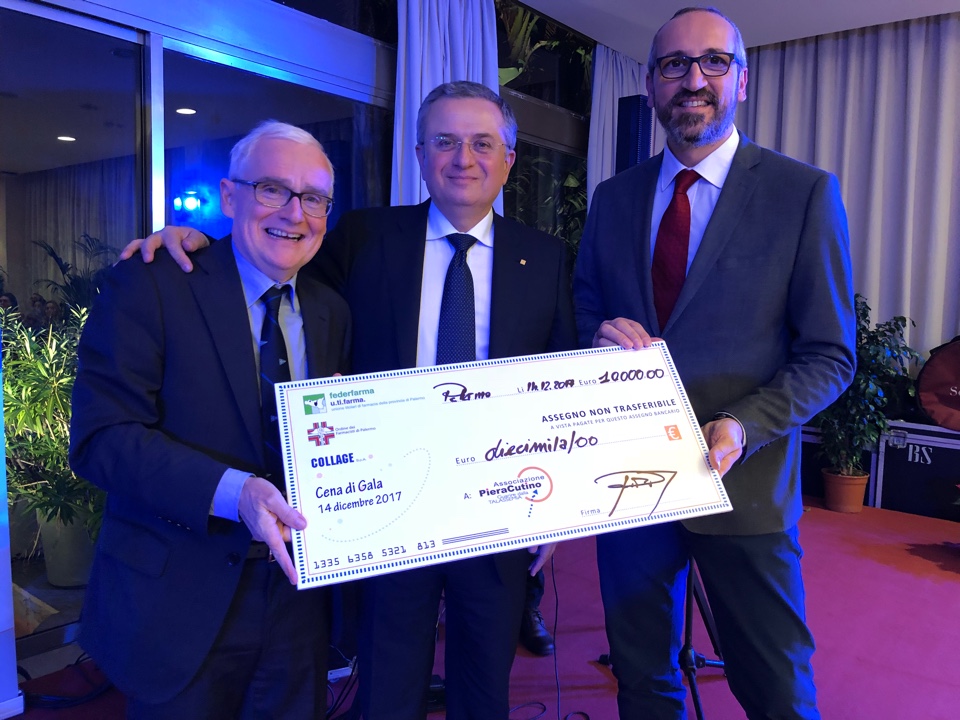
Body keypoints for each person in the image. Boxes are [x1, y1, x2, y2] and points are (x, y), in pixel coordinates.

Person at [121, 81, 576, 720]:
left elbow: (558, 383)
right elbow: (273, 255)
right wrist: (196, 238)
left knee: (485, 687)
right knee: (387, 686)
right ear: (419, 154)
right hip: (388, 506)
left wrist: (559, 506)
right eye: (444, 141)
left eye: (481, 143)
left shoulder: (546, 258)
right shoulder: (364, 237)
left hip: (496, 507)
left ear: (508, 159)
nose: (462, 158)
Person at [573, 7, 856, 719]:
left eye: (713, 62)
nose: (693, 79)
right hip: (630, 486)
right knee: (643, 682)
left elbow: (829, 353)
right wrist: (598, 338)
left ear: (742, 81)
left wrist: (743, 423)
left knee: (776, 691)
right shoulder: (613, 198)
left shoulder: (802, 194)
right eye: (674, 64)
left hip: (745, 485)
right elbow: (583, 312)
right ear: (650, 83)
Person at [69, 121, 351, 718]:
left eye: (314, 198)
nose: (294, 213)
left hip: (298, 604)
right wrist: (234, 492)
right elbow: (102, 439)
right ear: (229, 196)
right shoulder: (151, 284)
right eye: (272, 189)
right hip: (175, 598)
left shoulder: (332, 311)